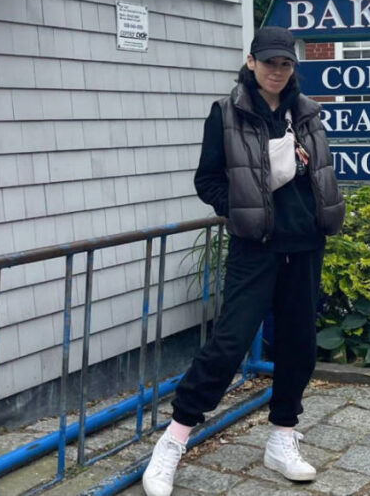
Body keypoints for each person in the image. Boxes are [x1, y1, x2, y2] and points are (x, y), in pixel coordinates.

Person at [143, 26, 345, 496]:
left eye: (285, 63)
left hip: (306, 243)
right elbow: (207, 180)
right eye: (269, 62)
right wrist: (242, 209)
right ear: (251, 62)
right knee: (229, 343)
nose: (277, 71)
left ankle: (281, 437)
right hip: (256, 247)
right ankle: (173, 440)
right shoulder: (227, 113)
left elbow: (321, 171)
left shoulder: (308, 114)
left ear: (293, 68)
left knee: (298, 344)